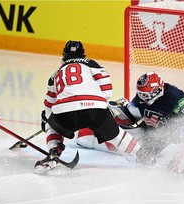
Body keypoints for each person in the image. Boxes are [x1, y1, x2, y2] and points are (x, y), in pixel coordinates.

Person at [35, 40, 151, 172]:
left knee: (51, 123)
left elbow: (48, 104)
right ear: (83, 54)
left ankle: (53, 153)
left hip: (66, 111)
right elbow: (107, 92)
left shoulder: (55, 74)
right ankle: (146, 157)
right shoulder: (92, 64)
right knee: (117, 135)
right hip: (95, 108)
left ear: (64, 56)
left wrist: (50, 121)